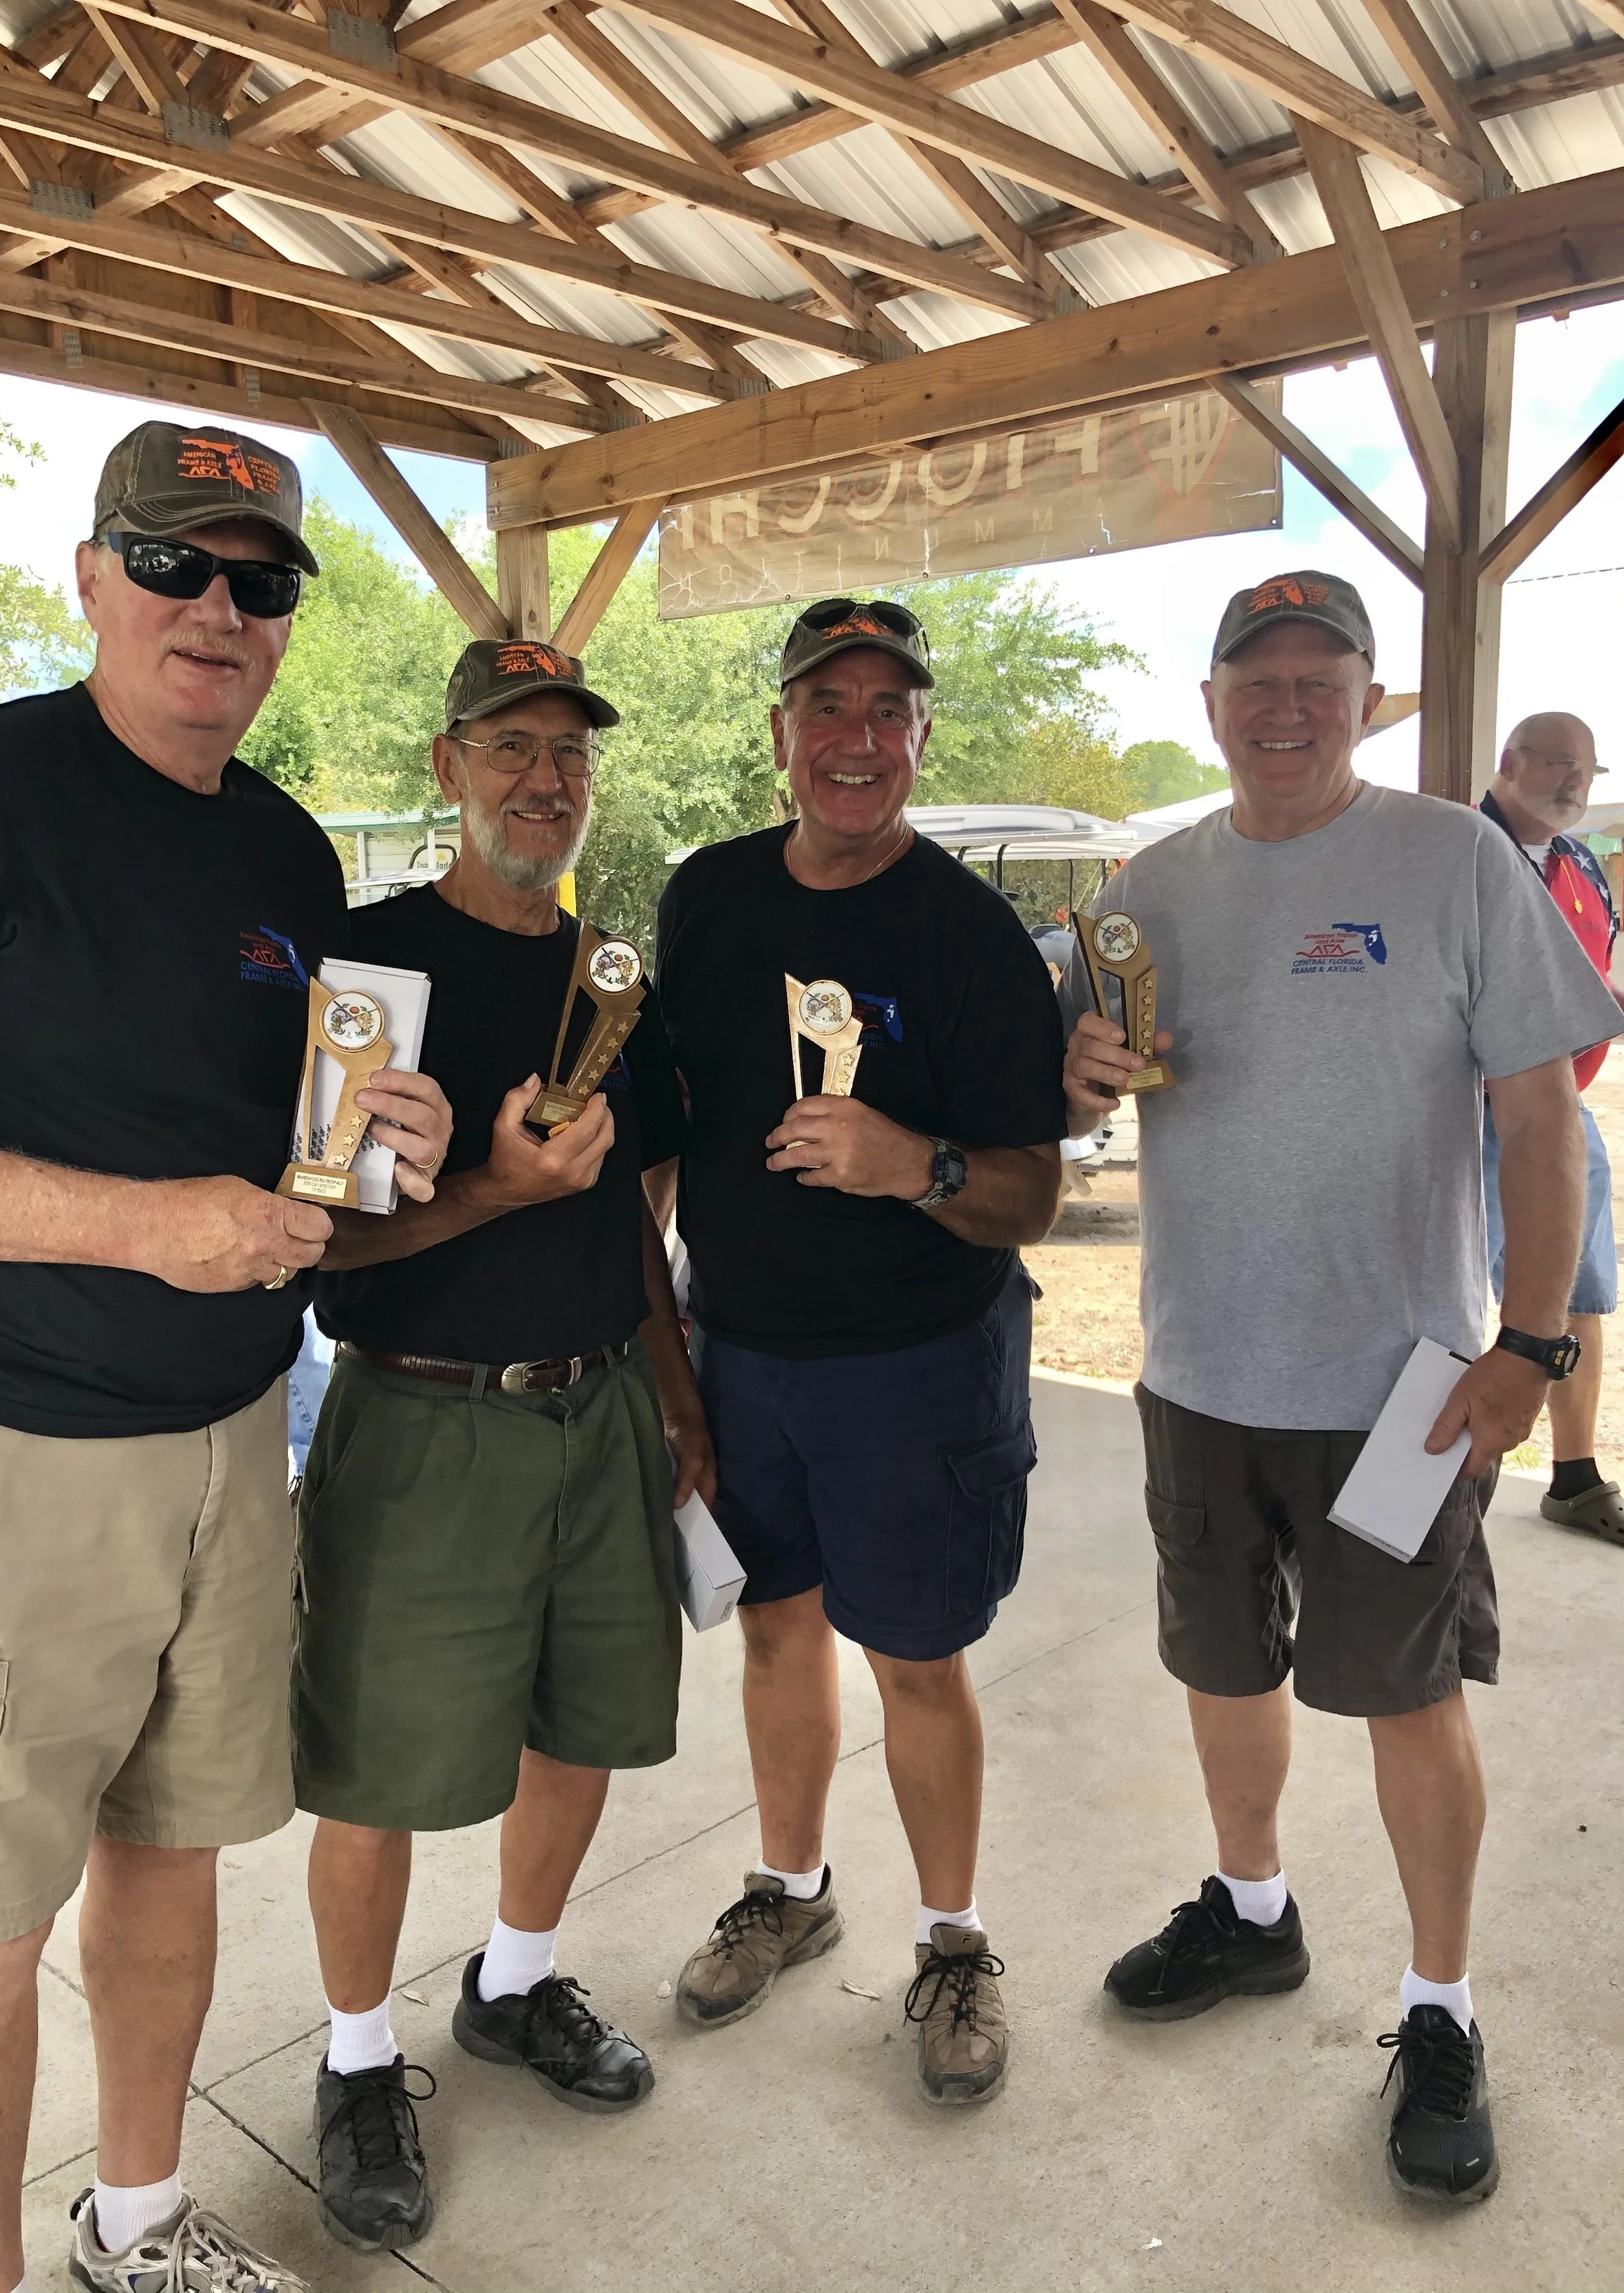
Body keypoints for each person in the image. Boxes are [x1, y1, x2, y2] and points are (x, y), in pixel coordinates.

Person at [0, 422, 452, 2293]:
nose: (218, 608)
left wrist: (390, 1140)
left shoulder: (286, 849)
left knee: (173, 1849)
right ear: (90, 576)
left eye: (263, 578)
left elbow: (297, 1160)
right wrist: (146, 1221)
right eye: (173, 563)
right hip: (10, 1451)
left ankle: (136, 2221)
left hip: (234, 1433)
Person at [1061, 572, 1623, 2204]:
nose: (1288, 703)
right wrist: (1076, 1070)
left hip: (1408, 1389)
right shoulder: (1148, 887)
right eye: (1259, 677)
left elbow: (1539, 1125)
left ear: (1370, 699)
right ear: (1213, 702)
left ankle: (1438, 2011)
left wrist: (1532, 1343)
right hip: (1201, 1370)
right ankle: (1251, 1910)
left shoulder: (1453, 860)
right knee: (1223, 1665)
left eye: (1323, 676)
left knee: (1404, 1693)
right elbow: (1088, 1081)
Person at [294, 639, 711, 2252]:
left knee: (585, 1721)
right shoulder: (368, 971)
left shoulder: (614, 975)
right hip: (419, 1413)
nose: (545, 778)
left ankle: (516, 1984)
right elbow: (322, 1244)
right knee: (380, 1769)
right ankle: (353, 2059)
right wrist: (490, 1187)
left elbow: (642, 1203)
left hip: (600, 1402)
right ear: (449, 764)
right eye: (512, 747)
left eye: (568, 754)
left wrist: (676, 1404)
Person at [656, 598, 1065, 2106]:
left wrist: (918, 1166)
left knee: (916, 1659)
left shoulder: (965, 935)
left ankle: (951, 1941)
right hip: (741, 1350)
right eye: (826, 706)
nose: (856, 739)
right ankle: (788, 1882)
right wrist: (660, 1342)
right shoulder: (704, 898)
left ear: (918, 740)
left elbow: (1033, 1188)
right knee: (773, 1630)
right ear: (778, 734)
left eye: (887, 713)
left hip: (916, 1365)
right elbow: (662, 1133)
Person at [1480, 714, 1624, 1540]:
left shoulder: (1577, 864)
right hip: (1467, 1111)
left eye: (1588, 771)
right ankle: (1427, 1467)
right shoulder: (1463, 854)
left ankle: (1575, 1476)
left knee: (1580, 1287)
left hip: (1562, 1107)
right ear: (1508, 763)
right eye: (1559, 764)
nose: (1574, 783)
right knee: (1456, 1294)